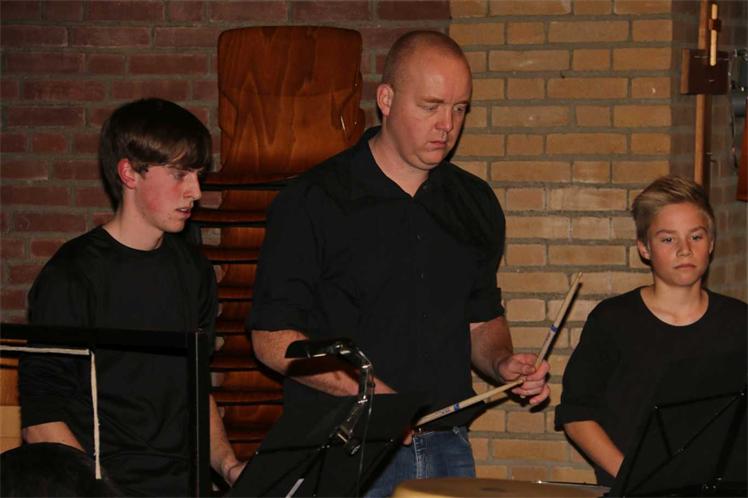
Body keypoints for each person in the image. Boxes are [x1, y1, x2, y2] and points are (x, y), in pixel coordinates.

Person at [247, 31, 550, 496]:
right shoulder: (313, 200)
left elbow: (481, 319)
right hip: (347, 443)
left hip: (447, 444)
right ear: (386, 99)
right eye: (431, 106)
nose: (447, 124)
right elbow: (271, 340)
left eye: (460, 108)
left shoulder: (475, 203)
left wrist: (503, 362)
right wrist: (374, 397)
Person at [18, 98, 245, 496]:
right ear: (129, 173)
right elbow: (41, 419)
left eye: (197, 175)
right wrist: (102, 493)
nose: (195, 191)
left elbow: (195, 392)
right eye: (179, 174)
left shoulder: (193, 270)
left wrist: (228, 466)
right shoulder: (72, 275)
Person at [555, 175, 747, 486]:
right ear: (644, 248)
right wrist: (634, 477)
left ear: (711, 243)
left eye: (696, 237)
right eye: (668, 239)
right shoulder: (613, 321)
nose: (685, 250)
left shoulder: (739, 322)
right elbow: (577, 415)